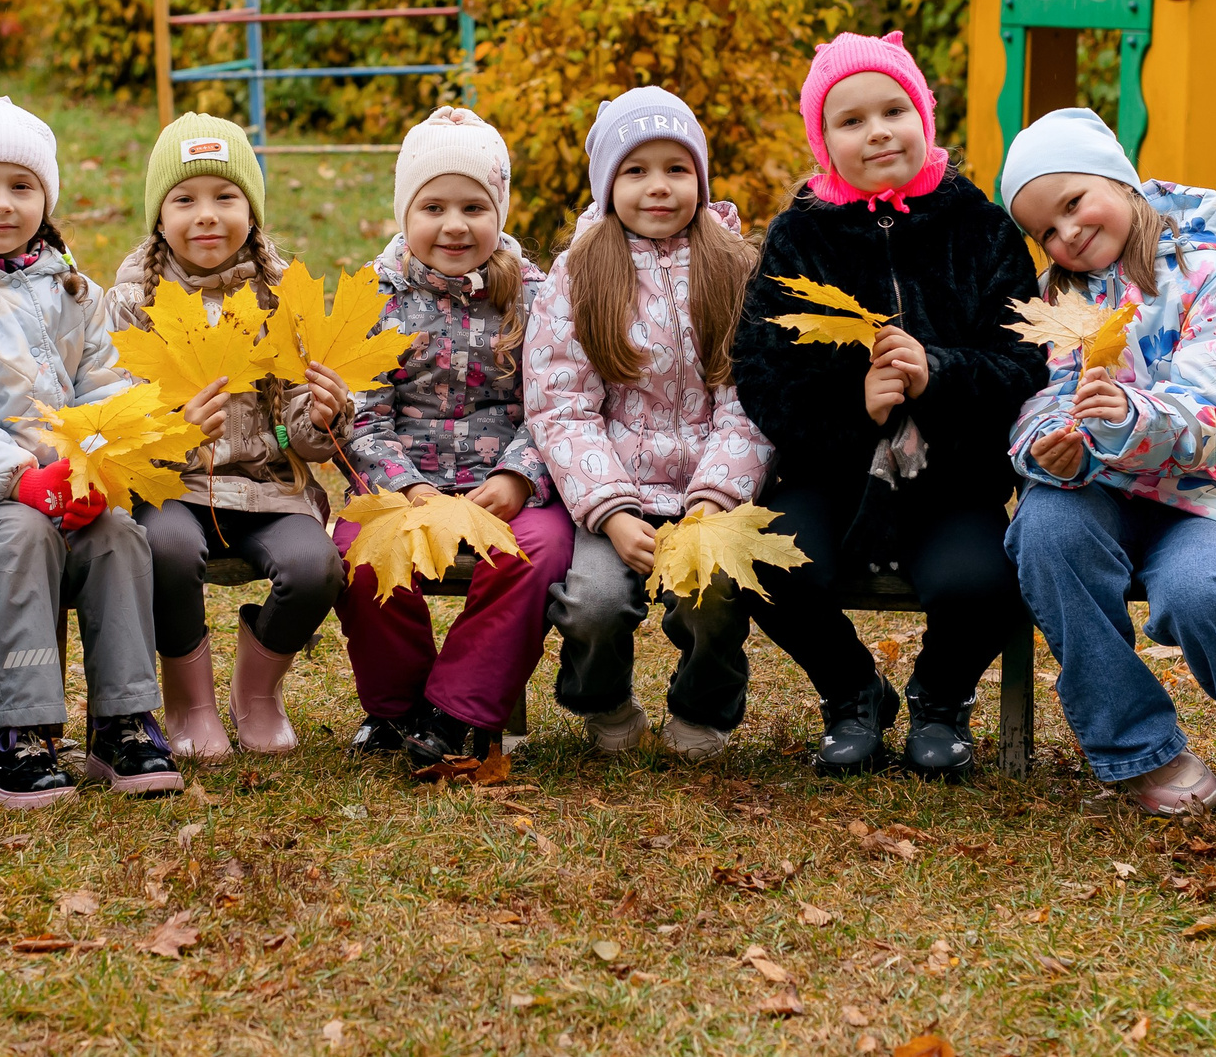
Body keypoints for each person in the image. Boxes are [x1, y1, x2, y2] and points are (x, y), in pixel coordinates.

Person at [732, 33, 1046, 778]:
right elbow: (762, 375)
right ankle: (852, 691)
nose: (877, 130)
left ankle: (940, 697)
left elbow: (1027, 364)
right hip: (830, 471)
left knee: (983, 580)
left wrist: (937, 372)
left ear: (924, 116)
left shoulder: (981, 227)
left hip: (952, 472)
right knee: (769, 561)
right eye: (850, 120)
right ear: (823, 140)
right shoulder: (798, 236)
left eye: (894, 109)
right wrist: (856, 407)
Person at [1001, 107, 1216, 830]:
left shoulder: (1212, 276)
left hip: (1207, 495)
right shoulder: (1057, 302)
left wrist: (1128, 416)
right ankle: (1141, 747)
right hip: (1101, 490)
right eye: (1045, 228)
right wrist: (1052, 440)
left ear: (1117, 177)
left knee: (1204, 590)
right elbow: (1035, 399)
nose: (1066, 233)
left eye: (1073, 202)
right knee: (1045, 531)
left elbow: (1209, 409)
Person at [0, 91, 178, 807]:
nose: (3, 203)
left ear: (45, 197)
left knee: (119, 536)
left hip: (71, 483)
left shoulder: (69, 282)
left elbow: (105, 381)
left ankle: (123, 719)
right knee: (21, 539)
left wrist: (92, 462)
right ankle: (16, 734)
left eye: (21, 186)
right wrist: (22, 476)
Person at [528, 87, 767, 761]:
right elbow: (563, 405)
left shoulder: (735, 267)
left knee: (715, 592)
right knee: (596, 600)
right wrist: (610, 511)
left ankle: (702, 705)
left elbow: (748, 401)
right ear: (608, 183)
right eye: (635, 170)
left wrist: (714, 500)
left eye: (676, 168)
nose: (657, 187)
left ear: (700, 177)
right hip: (614, 496)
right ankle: (602, 699)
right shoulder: (578, 274)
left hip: (708, 495)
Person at [110, 114, 348, 760]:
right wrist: (177, 431)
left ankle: (258, 690)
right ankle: (189, 701)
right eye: (185, 200)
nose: (206, 215)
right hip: (175, 485)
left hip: (267, 485)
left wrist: (324, 416)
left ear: (253, 209)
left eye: (226, 197)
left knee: (315, 565)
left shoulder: (279, 292)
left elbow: (303, 428)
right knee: (164, 547)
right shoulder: (136, 297)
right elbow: (116, 409)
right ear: (159, 217)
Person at [340, 106, 573, 764]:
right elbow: (363, 409)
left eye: (473, 206)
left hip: (502, 486)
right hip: (405, 485)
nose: (453, 224)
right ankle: (399, 705)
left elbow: (555, 399)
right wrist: (405, 487)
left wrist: (519, 474)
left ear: (498, 210)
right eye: (433, 206)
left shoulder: (534, 294)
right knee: (362, 557)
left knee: (538, 551)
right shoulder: (376, 294)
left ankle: (455, 708)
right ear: (404, 213)